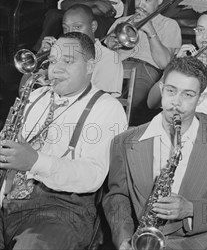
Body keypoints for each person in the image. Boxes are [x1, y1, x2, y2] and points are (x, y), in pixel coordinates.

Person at [0, 32, 128, 250]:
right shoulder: (35, 97)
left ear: (89, 67)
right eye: (52, 61)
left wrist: (34, 161)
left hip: (63, 211)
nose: (56, 69)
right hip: (9, 201)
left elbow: (93, 176)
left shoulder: (107, 107)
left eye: (68, 61)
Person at [103, 57, 207, 250]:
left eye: (188, 94)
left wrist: (191, 209)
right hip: (155, 238)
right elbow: (117, 198)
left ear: (200, 99)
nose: (176, 102)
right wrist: (124, 238)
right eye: (171, 91)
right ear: (161, 89)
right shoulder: (124, 142)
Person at [105, 0, 181, 126]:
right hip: (117, 69)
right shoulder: (121, 22)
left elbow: (165, 63)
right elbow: (102, 55)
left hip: (146, 72)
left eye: (147, 0)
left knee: (136, 97)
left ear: (160, 1)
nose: (140, 5)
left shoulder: (170, 25)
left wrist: (151, 31)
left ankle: (130, 133)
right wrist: (108, 45)